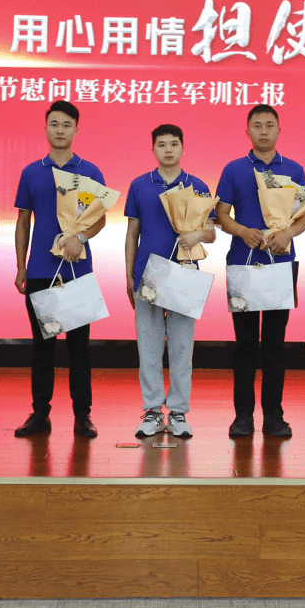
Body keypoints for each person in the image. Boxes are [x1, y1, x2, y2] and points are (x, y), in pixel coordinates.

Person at [215, 104, 305, 439]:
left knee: (274, 345)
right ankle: (243, 416)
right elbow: (221, 215)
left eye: (270, 125)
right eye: (257, 125)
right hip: (243, 264)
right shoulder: (234, 169)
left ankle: (274, 415)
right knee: (244, 346)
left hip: (279, 265)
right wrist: (242, 231)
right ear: (248, 131)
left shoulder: (294, 169)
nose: (264, 131)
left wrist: (288, 234)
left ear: (279, 131)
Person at [12, 100, 106, 439]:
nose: (60, 130)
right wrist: (20, 266)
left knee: (79, 348)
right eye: (54, 124)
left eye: (67, 124)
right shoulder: (31, 172)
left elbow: (100, 219)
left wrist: (80, 237)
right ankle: (40, 414)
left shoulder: (90, 171)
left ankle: (83, 415)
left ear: (76, 130)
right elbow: (23, 222)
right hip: (40, 270)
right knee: (43, 347)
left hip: (77, 270)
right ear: (46, 129)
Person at [123, 124, 217, 439]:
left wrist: (196, 234)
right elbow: (132, 233)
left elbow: (211, 233)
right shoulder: (139, 185)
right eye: (162, 144)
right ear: (153, 149)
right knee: (148, 348)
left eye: (174, 144)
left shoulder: (197, 186)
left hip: (184, 274)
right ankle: (152, 411)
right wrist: (129, 274)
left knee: (181, 347)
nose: (168, 149)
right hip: (147, 275)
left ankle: (178, 412)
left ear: (183, 148)